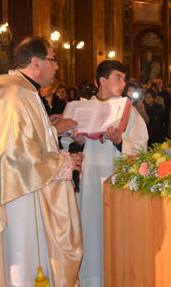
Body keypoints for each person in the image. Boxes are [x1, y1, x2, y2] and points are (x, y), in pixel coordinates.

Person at [0, 36, 84, 287]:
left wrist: (51, 129)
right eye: (53, 60)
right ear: (36, 62)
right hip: (20, 195)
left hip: (31, 189)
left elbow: (28, 141)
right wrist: (63, 163)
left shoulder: (25, 91)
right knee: (25, 258)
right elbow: (15, 155)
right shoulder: (14, 95)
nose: (56, 67)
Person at [66, 60, 148, 287]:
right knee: (89, 234)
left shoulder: (128, 111)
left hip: (116, 181)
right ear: (101, 80)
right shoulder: (80, 109)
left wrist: (120, 141)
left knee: (114, 235)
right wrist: (78, 143)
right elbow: (65, 146)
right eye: (117, 78)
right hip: (88, 184)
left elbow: (141, 147)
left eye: (124, 78)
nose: (123, 84)